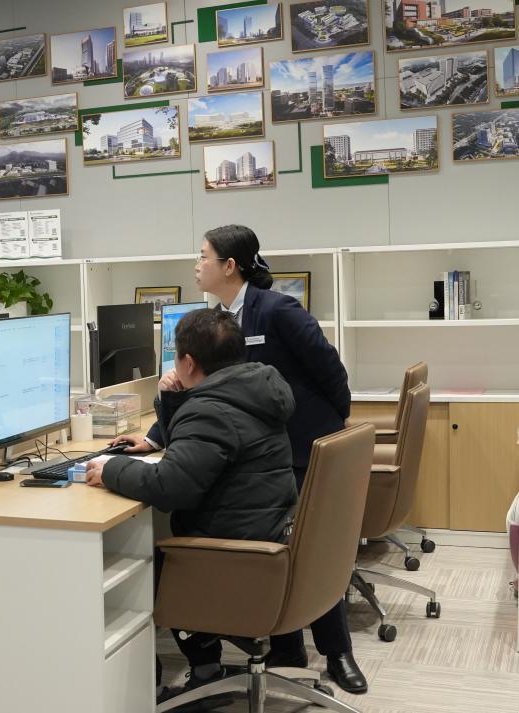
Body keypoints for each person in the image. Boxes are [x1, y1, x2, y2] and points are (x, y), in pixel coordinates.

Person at [114, 224, 366, 695]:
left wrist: (334, 425)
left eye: (203, 256)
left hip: (300, 443)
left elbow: (331, 371)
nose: (196, 265)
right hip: (250, 448)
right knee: (275, 540)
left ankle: (338, 653)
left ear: (229, 266)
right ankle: (287, 650)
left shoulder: (277, 309)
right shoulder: (217, 320)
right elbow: (208, 391)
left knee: (309, 548)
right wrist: (155, 437)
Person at [85, 309, 297, 704]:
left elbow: (170, 487)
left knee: (150, 564)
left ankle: (184, 678)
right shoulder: (254, 388)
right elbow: (194, 447)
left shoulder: (211, 411)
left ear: (188, 362)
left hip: (234, 555)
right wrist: (174, 400)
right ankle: (206, 668)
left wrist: (111, 468)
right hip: (268, 538)